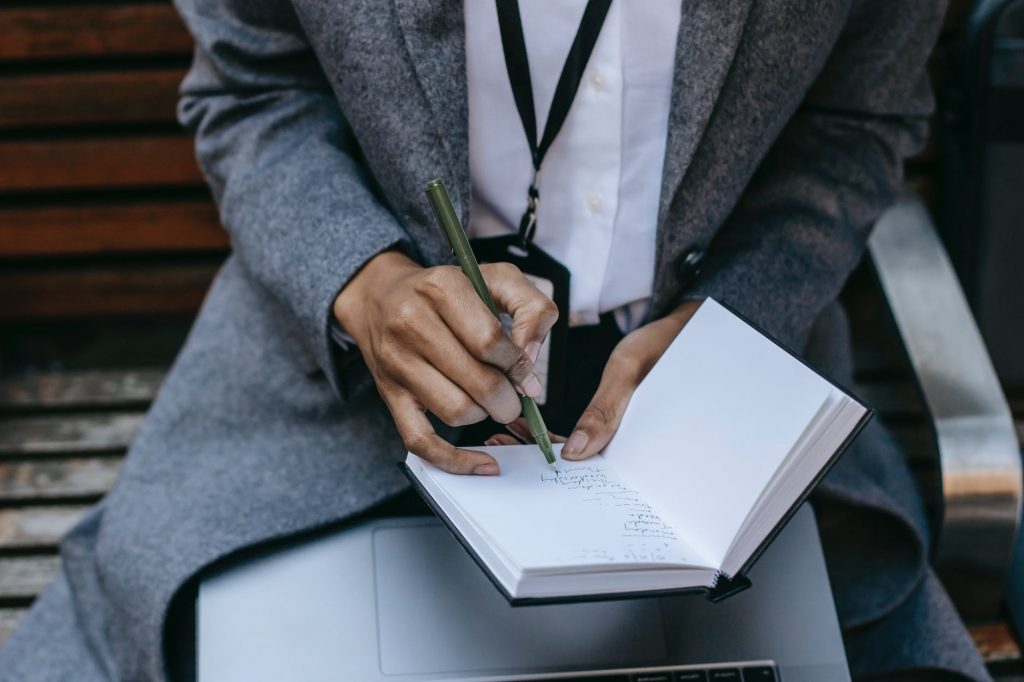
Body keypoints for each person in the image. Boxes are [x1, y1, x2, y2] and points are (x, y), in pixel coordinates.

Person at [0, 1, 990, 681]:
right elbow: (251, 94)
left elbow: (860, 121)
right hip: (344, 394)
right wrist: (363, 280)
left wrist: (740, 321)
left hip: (716, 396)